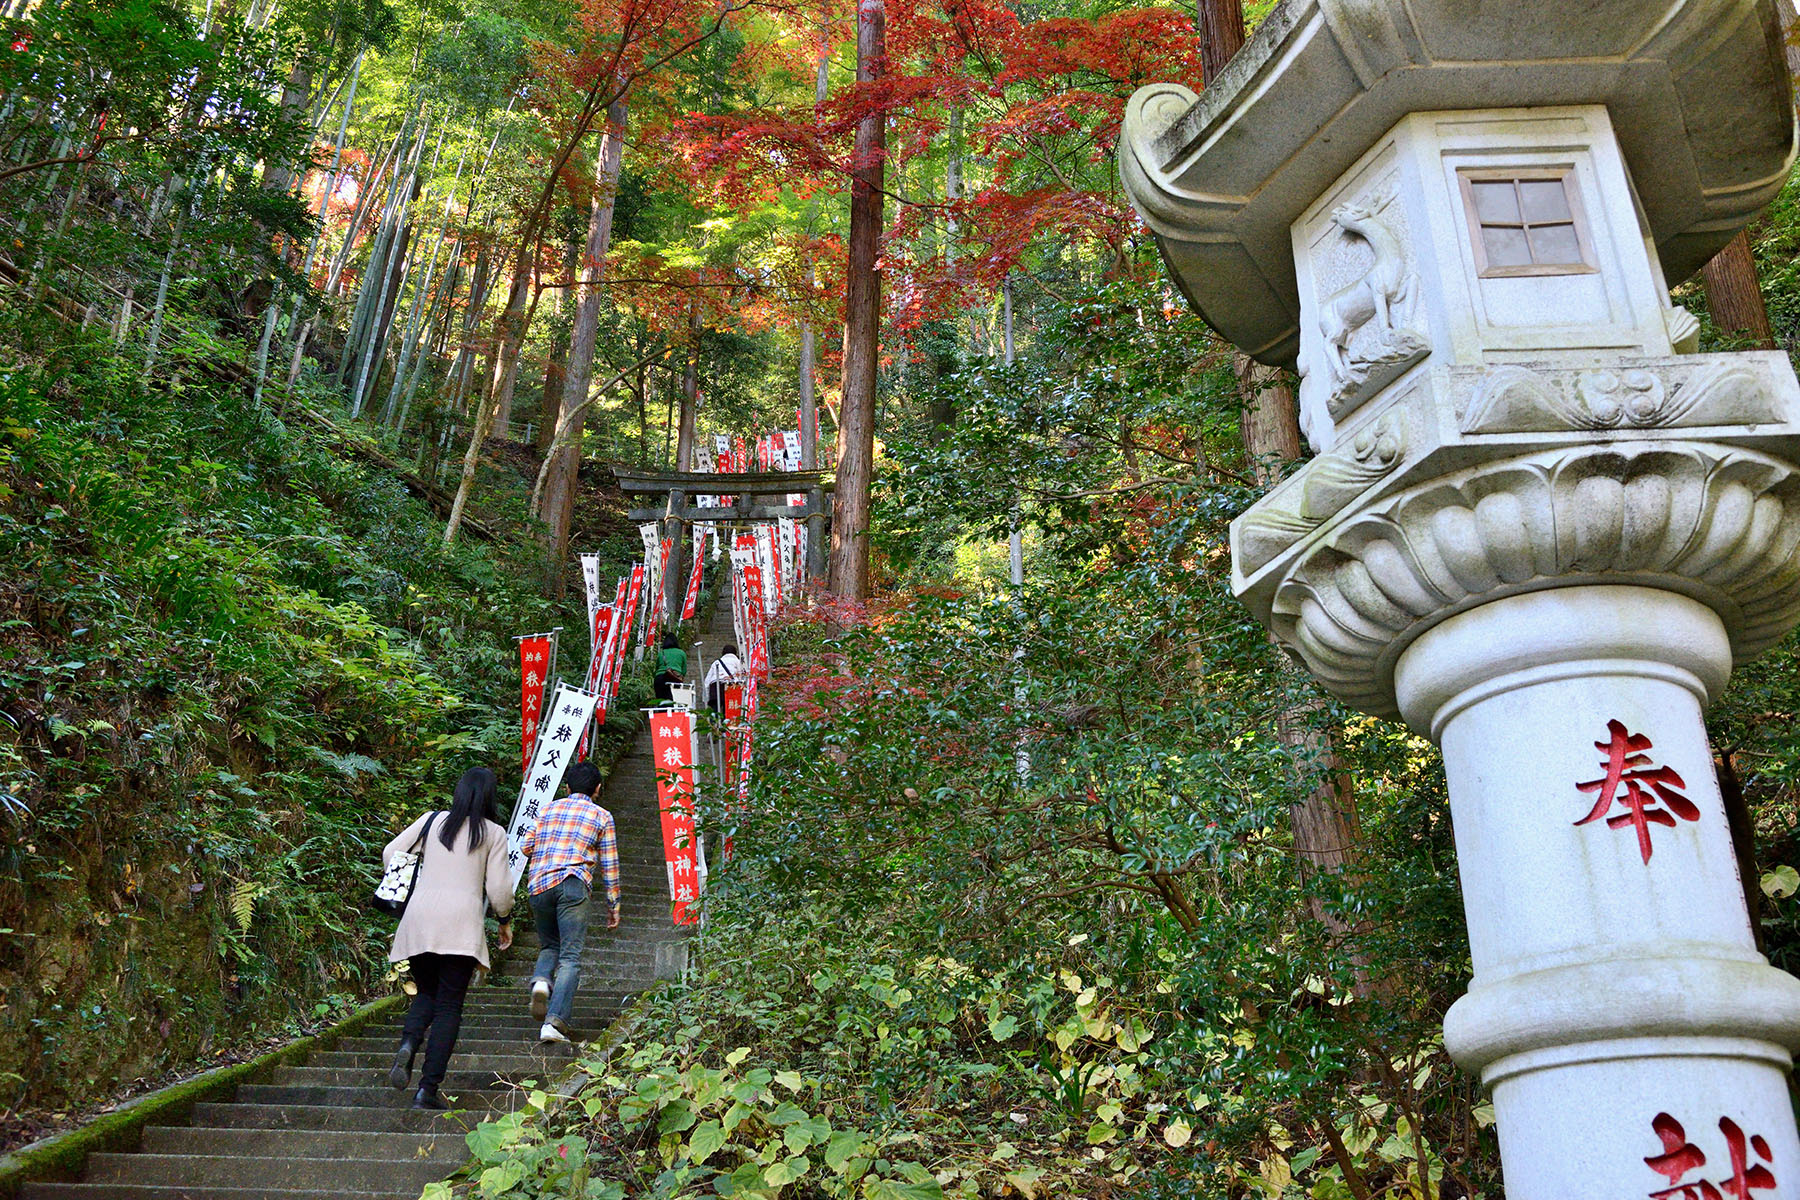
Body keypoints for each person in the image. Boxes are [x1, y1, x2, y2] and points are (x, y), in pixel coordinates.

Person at [383, 766, 513, 1110]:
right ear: (489, 796)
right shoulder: (493, 832)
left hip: (420, 920)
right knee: (449, 1006)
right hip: (460, 926)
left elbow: (390, 854)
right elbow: (499, 890)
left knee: (426, 992)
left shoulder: (432, 820)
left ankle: (409, 1043)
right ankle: (427, 1090)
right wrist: (504, 920)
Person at [517, 761, 620, 1044]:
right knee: (570, 957)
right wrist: (614, 906)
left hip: (539, 885)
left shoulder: (548, 809)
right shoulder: (601, 815)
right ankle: (554, 1022)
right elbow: (610, 864)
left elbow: (526, 846)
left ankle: (540, 981)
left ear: (566, 787)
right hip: (573, 883)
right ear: (598, 788)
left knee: (550, 944)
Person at [703, 643, 744, 713]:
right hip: (731, 686)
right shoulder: (737, 661)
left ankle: (714, 723)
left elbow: (707, 681)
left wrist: (706, 698)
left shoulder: (716, 662)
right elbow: (741, 676)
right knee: (728, 711)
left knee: (715, 710)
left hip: (715, 687)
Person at [654, 632, 687, 702]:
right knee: (674, 701)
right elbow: (684, 670)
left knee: (660, 701)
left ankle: (661, 712)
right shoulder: (681, 653)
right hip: (674, 679)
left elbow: (656, 667)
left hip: (659, 678)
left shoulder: (661, 653)